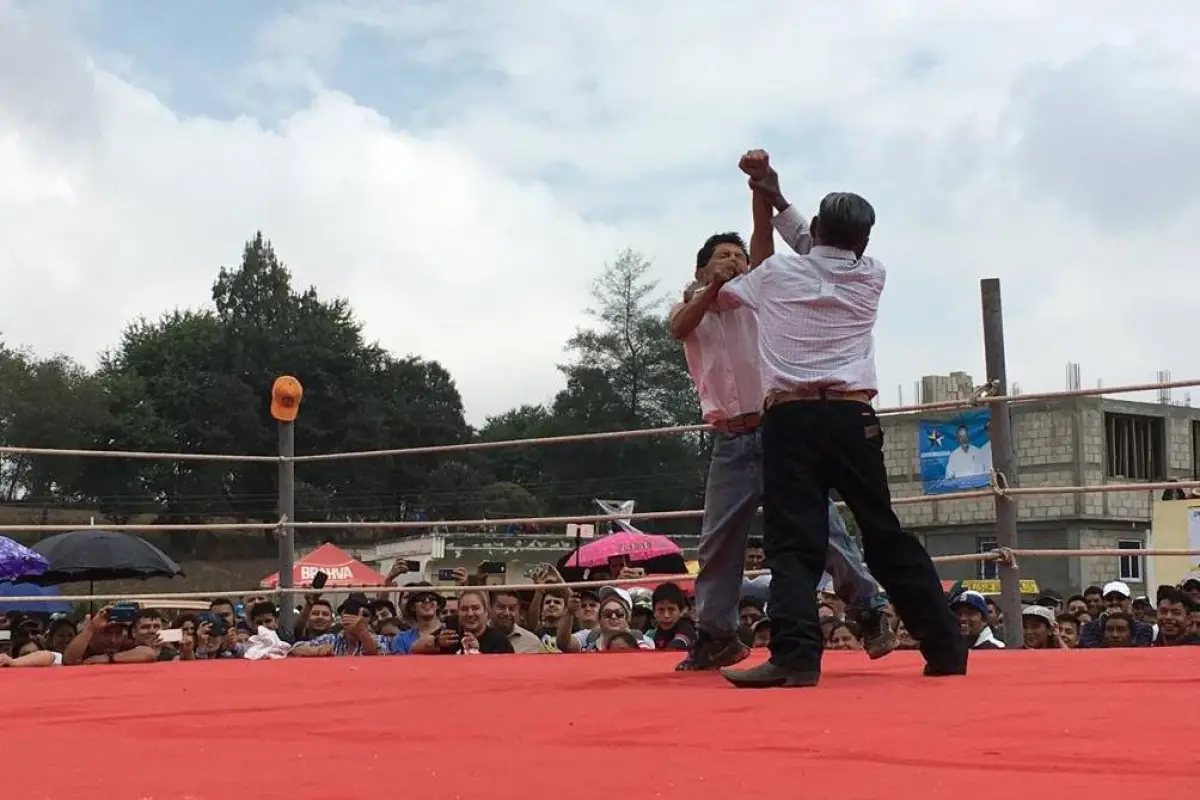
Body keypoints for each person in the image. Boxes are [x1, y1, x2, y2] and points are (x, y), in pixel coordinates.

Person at [717, 150, 965, 688]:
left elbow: (774, 259)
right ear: (864, 243)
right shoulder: (871, 275)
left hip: (792, 421)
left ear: (820, 230)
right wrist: (775, 195)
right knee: (883, 533)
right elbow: (816, 246)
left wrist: (764, 200)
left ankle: (797, 657)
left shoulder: (778, 275)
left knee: (793, 541)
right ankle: (946, 647)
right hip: (855, 419)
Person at [667, 159, 894, 672]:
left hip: (778, 430)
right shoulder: (693, 305)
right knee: (718, 539)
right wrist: (711, 289)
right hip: (728, 437)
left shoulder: (765, 291)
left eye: (738, 256)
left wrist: (760, 198)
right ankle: (717, 634)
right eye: (720, 257)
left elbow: (764, 247)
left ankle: (868, 608)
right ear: (700, 269)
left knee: (824, 526)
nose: (733, 262)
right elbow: (678, 327)